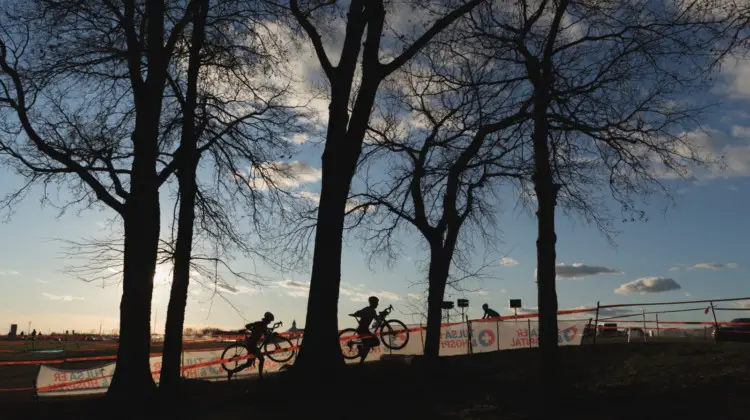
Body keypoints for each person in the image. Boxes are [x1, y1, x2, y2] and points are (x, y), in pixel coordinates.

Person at [349, 296, 381, 364]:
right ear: (373, 303)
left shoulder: (366, 309)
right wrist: (382, 317)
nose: (377, 304)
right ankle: (360, 352)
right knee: (373, 343)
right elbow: (377, 320)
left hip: (362, 329)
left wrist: (354, 314)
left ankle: (360, 349)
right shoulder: (372, 310)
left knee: (369, 345)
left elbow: (358, 312)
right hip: (363, 330)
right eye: (377, 303)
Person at [243, 311, 274, 380]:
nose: (270, 322)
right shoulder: (262, 325)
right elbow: (267, 335)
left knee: (248, 364)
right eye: (270, 321)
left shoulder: (260, 324)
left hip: (251, 344)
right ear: (267, 319)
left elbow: (248, 326)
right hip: (252, 345)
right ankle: (260, 377)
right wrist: (253, 330)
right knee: (262, 359)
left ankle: (232, 371)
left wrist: (253, 329)